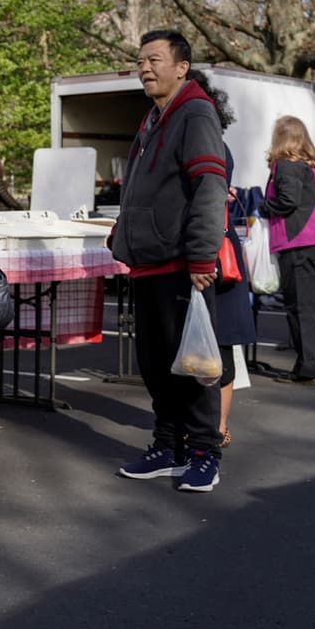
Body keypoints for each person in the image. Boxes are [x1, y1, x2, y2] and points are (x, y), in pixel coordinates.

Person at [112, 30, 227, 492]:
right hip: (148, 264)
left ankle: (204, 453)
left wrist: (201, 255)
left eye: (154, 59)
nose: (145, 67)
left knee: (194, 366)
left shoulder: (196, 113)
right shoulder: (154, 117)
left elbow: (210, 187)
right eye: (140, 60)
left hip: (182, 264)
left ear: (182, 67)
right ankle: (168, 447)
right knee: (157, 366)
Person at [200, 77, 253, 446]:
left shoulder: (209, 145)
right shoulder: (219, 144)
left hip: (213, 252)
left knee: (215, 346)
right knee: (219, 345)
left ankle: (214, 427)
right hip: (220, 246)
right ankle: (216, 426)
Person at [259, 115, 315, 384]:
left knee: (300, 309)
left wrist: (262, 209)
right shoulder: (312, 166)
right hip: (314, 242)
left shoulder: (286, 165)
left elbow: (287, 201)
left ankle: (308, 368)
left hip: (298, 244)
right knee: (312, 308)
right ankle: (310, 363)